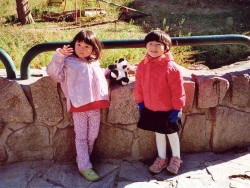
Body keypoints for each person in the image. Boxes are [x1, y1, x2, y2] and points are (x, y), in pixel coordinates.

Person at [46, 30, 109, 181]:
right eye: (78, 44)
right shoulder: (68, 61)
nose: (81, 49)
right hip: (79, 105)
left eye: (86, 46)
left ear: (94, 49)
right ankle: (84, 165)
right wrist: (60, 56)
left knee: (92, 135)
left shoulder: (94, 61)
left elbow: (97, 76)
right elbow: (54, 74)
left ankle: (83, 158)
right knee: (81, 137)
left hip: (95, 104)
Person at [134, 30, 186, 175]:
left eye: (158, 44)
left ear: (166, 47)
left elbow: (178, 90)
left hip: (168, 109)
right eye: (150, 44)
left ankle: (176, 158)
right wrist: (140, 102)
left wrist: (177, 108)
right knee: (158, 133)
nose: (154, 48)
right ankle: (162, 158)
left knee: (171, 133)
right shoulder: (142, 65)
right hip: (151, 107)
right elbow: (139, 85)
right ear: (146, 46)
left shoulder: (171, 67)